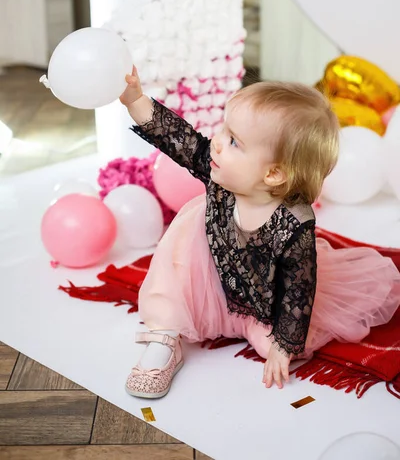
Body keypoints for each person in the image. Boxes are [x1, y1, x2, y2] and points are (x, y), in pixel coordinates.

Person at [119, 67, 400, 399]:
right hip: (208, 278)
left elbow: (299, 290)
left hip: (261, 302)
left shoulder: (293, 225)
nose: (219, 143)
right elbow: (181, 140)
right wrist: (136, 100)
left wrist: (284, 345)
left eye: (235, 141)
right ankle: (164, 337)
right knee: (173, 273)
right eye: (225, 130)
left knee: (274, 348)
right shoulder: (219, 172)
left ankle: (256, 330)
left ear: (274, 173)